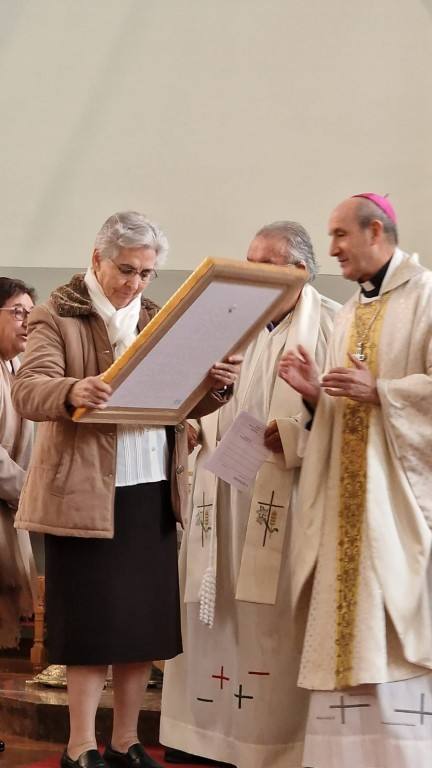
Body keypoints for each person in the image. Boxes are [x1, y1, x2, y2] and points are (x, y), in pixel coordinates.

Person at [12, 211, 242, 768]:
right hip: (85, 495)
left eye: (146, 273)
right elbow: (29, 389)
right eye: (126, 269)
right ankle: (80, 745)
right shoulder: (55, 315)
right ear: (97, 258)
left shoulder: (158, 317)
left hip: (150, 487)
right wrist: (74, 389)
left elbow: (179, 405)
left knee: (143, 625)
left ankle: (125, 740)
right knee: (91, 625)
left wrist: (214, 389)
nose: (135, 283)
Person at [160, 221, 340, 768]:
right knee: (218, 614)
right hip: (227, 491)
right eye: (248, 260)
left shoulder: (332, 325)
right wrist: (199, 414)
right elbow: (224, 407)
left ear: (301, 272)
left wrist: (295, 434)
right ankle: (208, 736)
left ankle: (269, 742)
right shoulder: (235, 324)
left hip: (286, 498)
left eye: (265, 264)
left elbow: (351, 419)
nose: (250, 273)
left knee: (270, 623)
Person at [278, 193, 432, 768]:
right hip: (349, 511)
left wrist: (385, 393)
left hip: (399, 510)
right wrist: (317, 394)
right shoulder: (346, 313)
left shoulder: (427, 298)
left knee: (393, 636)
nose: (333, 249)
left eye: (340, 235)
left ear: (376, 232)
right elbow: (346, 416)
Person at [0, 277, 37, 650]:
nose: (27, 321)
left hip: (12, 510)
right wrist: (36, 492)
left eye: (30, 312)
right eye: (17, 312)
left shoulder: (17, 368)